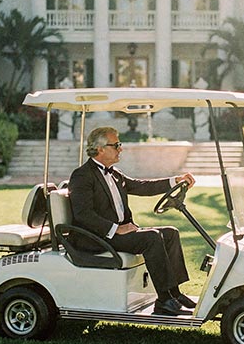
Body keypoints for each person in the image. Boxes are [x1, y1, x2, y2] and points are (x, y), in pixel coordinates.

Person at [68, 125, 197, 316]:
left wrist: (174, 180)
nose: (121, 149)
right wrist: (116, 229)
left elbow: (141, 186)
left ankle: (174, 293)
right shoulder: (82, 176)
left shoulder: (114, 173)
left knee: (170, 233)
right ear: (100, 149)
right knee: (151, 238)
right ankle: (163, 300)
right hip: (97, 238)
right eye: (116, 145)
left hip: (115, 233)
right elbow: (83, 214)